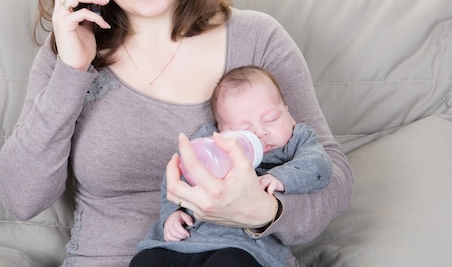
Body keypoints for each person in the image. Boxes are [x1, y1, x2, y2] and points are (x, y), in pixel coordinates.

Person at [0, 0, 353, 267]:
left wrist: (259, 210)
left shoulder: (258, 40)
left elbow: (333, 181)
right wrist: (71, 71)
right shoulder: (70, 51)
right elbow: (21, 198)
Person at [131, 65, 333, 267]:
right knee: (146, 261)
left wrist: (281, 177)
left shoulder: (298, 140)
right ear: (221, 131)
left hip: (246, 249)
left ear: (289, 114)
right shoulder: (211, 143)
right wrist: (171, 214)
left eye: (271, 119)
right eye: (244, 130)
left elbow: (320, 167)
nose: (261, 132)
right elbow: (178, 175)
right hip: (188, 240)